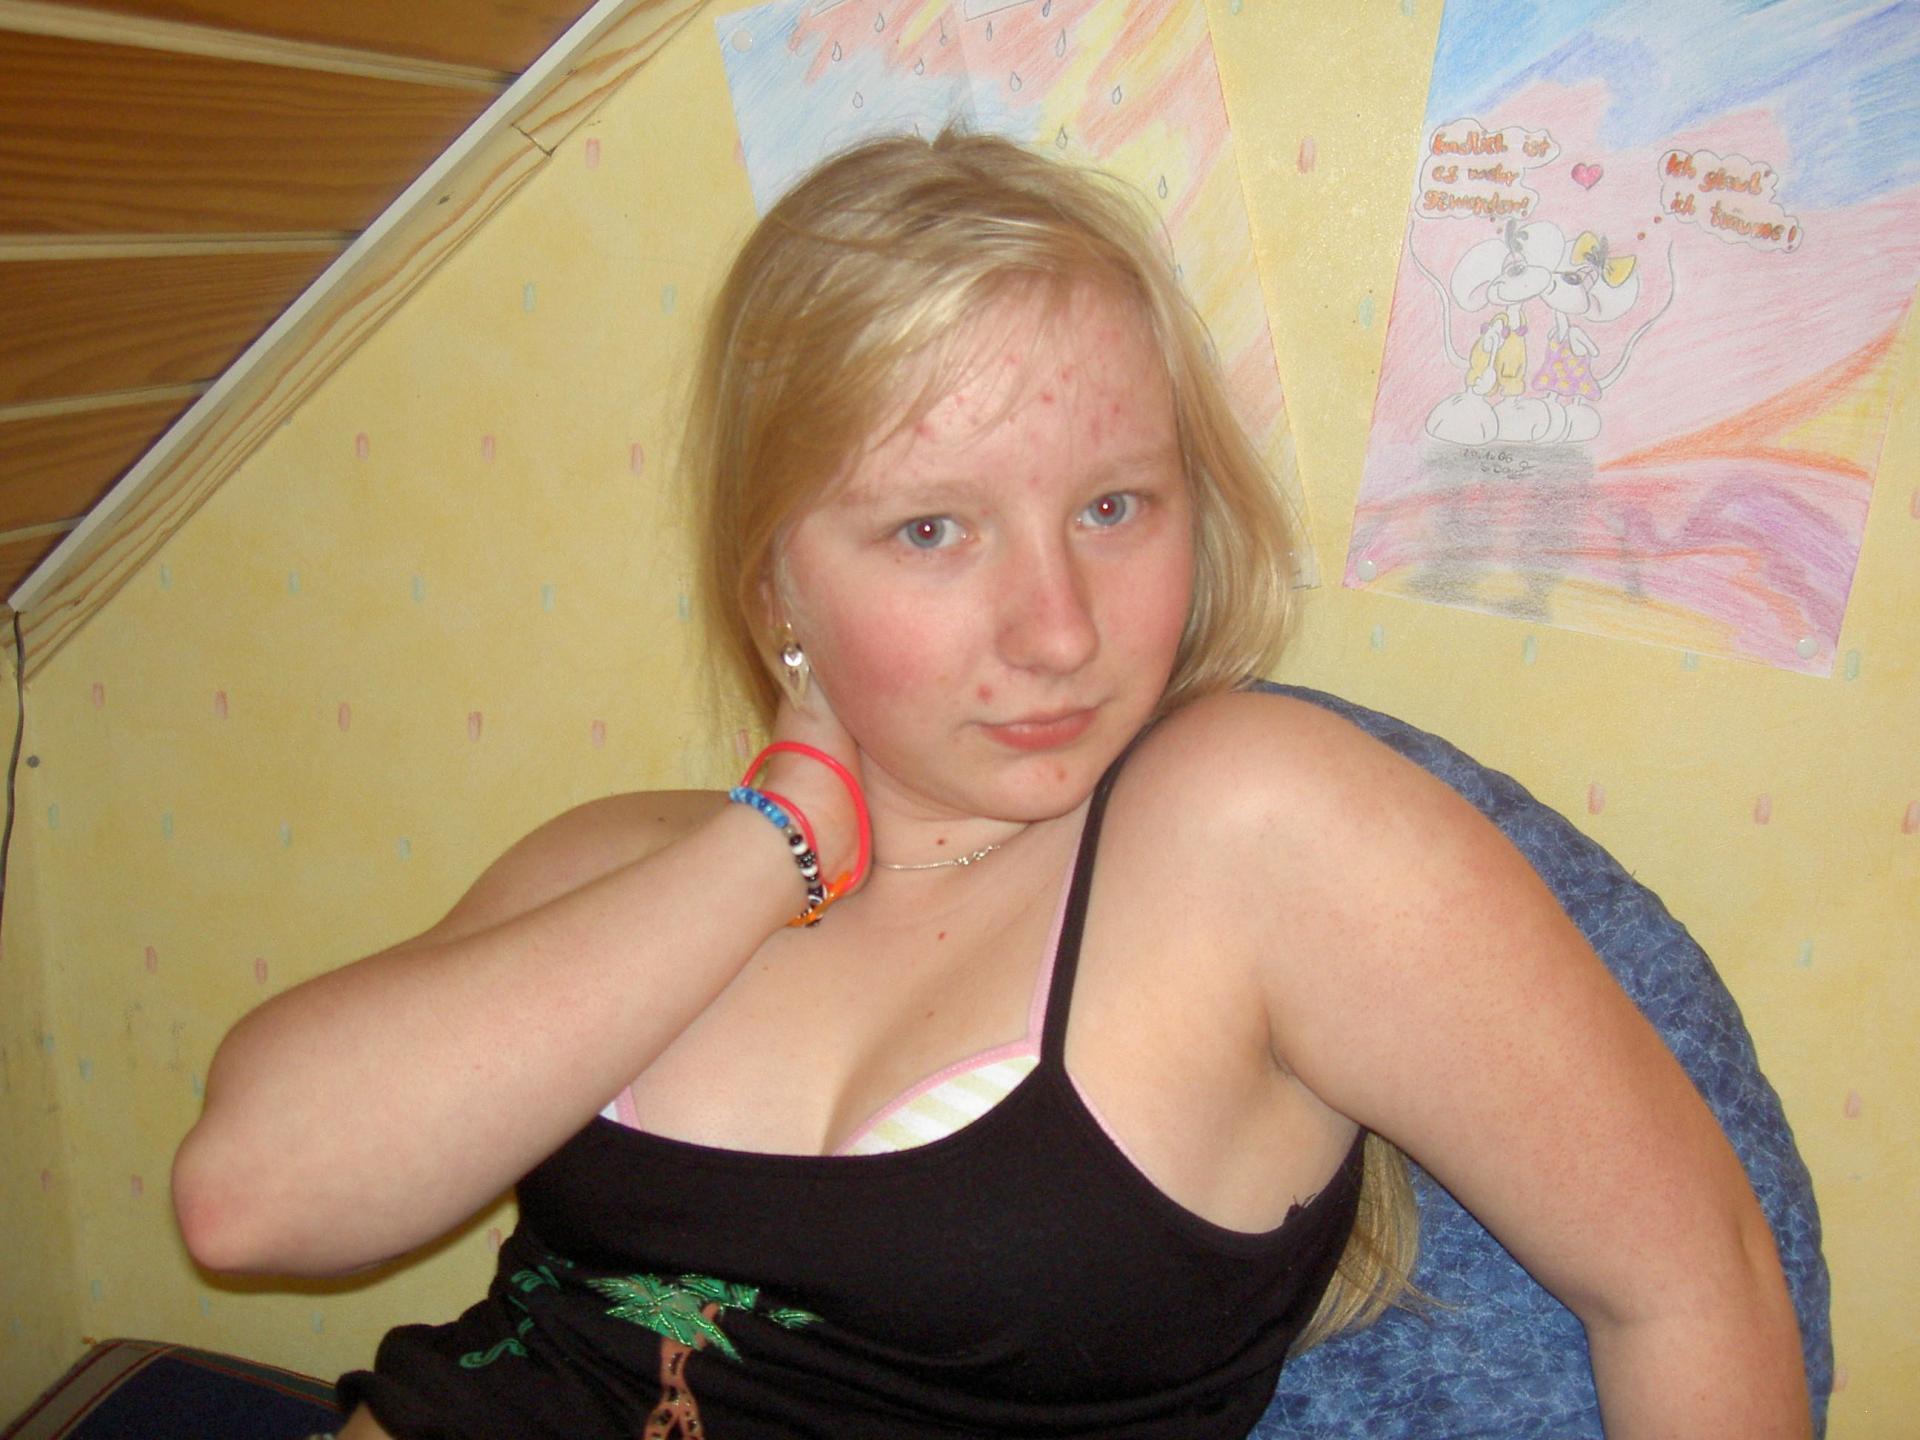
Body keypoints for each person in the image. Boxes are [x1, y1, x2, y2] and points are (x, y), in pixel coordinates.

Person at [171, 130, 1810, 1439]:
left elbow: (1697, 1283)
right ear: (778, 582)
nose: (1059, 630)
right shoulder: (623, 860)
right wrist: (769, 844)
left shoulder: (1251, 828)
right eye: (932, 529)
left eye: (1114, 507)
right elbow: (250, 1198)